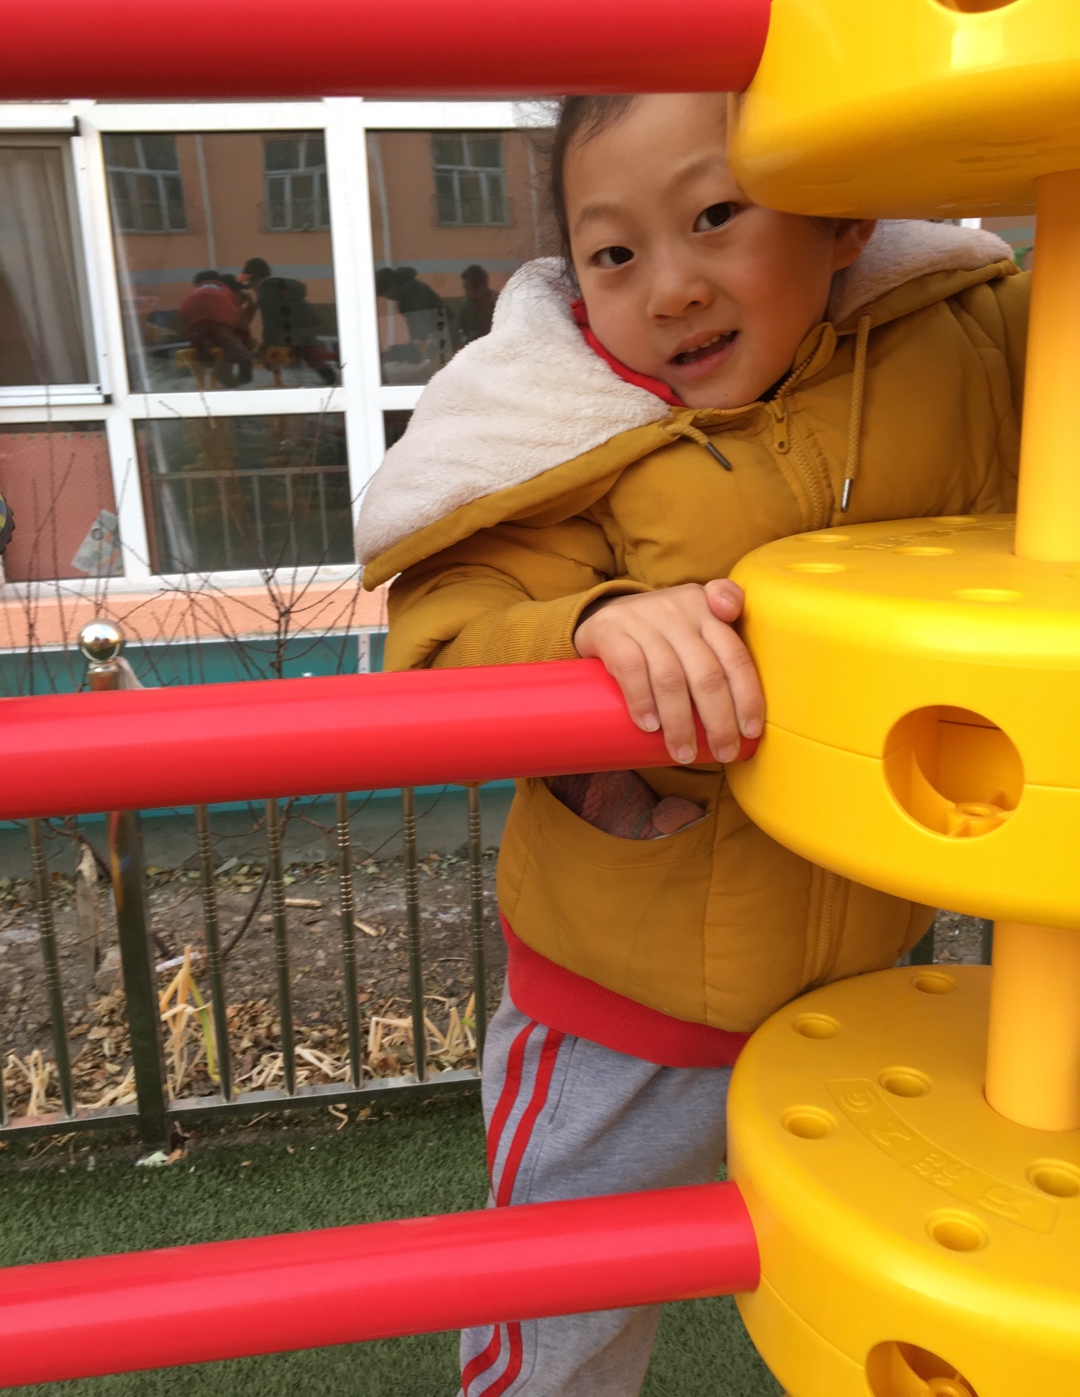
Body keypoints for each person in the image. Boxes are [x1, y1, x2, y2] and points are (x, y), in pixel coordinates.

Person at [356, 94, 1026, 1397]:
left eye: (717, 215)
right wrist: (595, 623)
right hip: (623, 999)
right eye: (612, 253)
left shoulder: (957, 339)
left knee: (895, 1297)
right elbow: (445, 638)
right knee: (561, 1304)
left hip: (874, 980)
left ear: (843, 219)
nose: (670, 288)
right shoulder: (568, 428)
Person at [240, 257, 337, 385]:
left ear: (255, 278)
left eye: (250, 282)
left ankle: (331, 377)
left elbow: (270, 321)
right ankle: (331, 377)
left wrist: (266, 343)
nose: (251, 287)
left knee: (271, 351)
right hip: (308, 323)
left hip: (296, 327)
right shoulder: (277, 285)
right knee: (308, 354)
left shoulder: (265, 292)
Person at [177, 269, 253, 387]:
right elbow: (241, 322)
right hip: (219, 319)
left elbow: (184, 313)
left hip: (193, 319)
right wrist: (246, 344)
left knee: (197, 337)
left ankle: (204, 355)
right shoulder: (224, 290)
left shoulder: (195, 291)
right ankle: (244, 359)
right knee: (229, 341)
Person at [459, 263, 498, 344]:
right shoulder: (466, 307)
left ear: (481, 288)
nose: (466, 293)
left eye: (468, 288)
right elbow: (465, 331)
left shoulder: (498, 303)